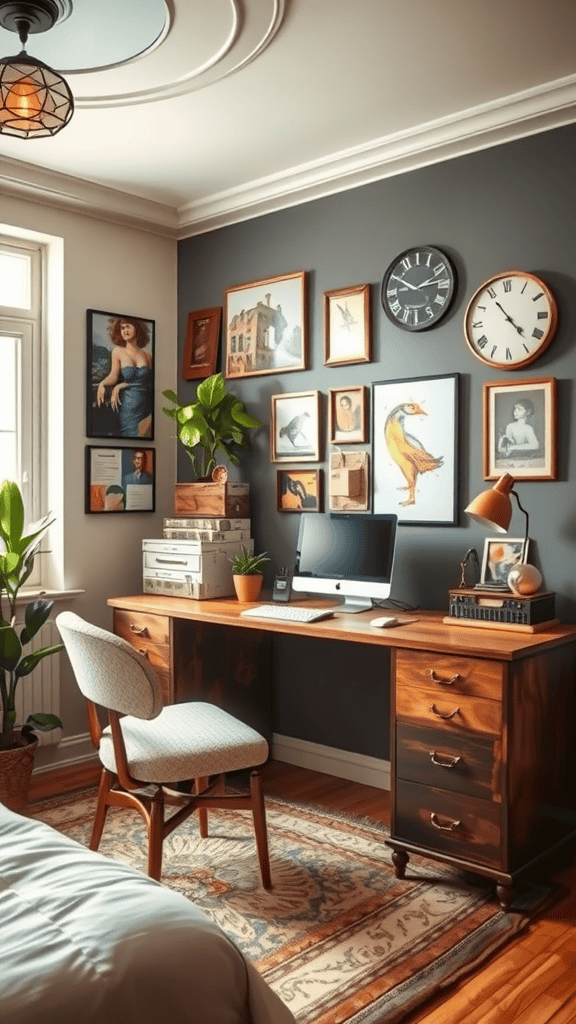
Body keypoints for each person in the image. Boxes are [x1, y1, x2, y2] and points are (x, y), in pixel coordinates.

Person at [96, 316, 153, 438]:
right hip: (127, 406)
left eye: (128, 327)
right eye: (122, 328)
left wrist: (122, 385)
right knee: (128, 436)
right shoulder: (118, 351)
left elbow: (149, 383)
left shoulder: (147, 355)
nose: (125, 331)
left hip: (145, 405)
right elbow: (113, 375)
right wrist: (102, 384)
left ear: (137, 328)